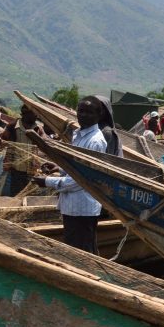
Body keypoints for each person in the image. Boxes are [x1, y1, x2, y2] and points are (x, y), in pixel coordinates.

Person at [32, 97, 107, 254]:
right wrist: (59, 168)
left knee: (83, 252)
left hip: (82, 209)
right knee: (76, 249)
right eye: (81, 111)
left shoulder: (95, 141)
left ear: (98, 116)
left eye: (89, 112)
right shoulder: (78, 136)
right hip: (72, 207)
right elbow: (74, 168)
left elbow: (81, 180)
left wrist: (47, 181)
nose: (83, 115)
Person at [0, 105, 46, 196]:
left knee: (30, 196)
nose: (37, 116)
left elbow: (45, 142)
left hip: (33, 171)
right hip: (16, 170)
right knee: (16, 195)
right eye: (34, 113)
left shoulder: (38, 128)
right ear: (25, 114)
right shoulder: (12, 127)